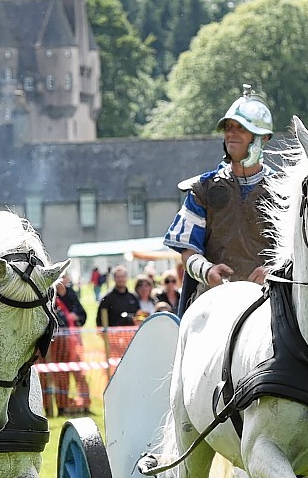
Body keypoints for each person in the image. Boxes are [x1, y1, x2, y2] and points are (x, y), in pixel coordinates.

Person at [164, 84, 276, 314]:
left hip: (270, 301)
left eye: (241, 128)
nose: (231, 133)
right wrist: (207, 271)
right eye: (229, 127)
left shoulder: (283, 190)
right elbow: (187, 249)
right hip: (214, 301)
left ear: (262, 138)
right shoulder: (203, 188)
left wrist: (274, 270)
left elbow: (299, 249)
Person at [45, 272, 92, 416]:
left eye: (64, 278)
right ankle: (60, 407)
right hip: (55, 345)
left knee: (79, 373)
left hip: (73, 342)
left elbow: (83, 315)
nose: (62, 281)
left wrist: (74, 317)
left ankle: (84, 405)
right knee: (59, 375)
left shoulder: (71, 294)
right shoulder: (49, 296)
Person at [96, 265, 140, 362]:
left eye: (123, 276)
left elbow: (138, 317)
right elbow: (99, 323)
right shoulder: (107, 299)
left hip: (132, 342)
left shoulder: (133, 297)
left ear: (126, 278)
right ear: (114, 278)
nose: (120, 279)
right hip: (114, 345)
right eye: (118, 277)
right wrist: (109, 341)